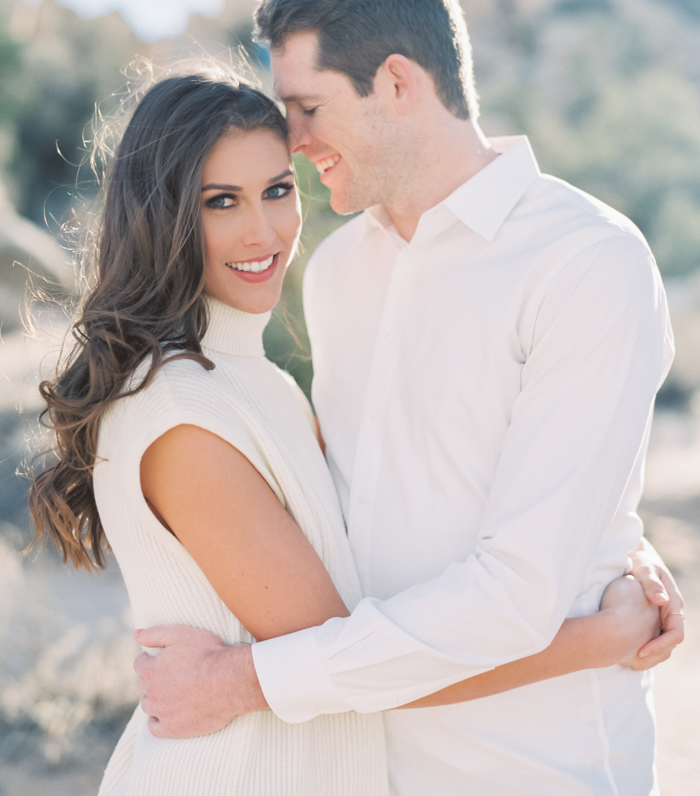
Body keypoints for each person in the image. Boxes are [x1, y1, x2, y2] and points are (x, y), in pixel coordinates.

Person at [27, 64, 666, 795]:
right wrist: (605, 636)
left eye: (277, 190)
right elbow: (362, 665)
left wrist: (599, 544)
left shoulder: (254, 383)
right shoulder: (180, 413)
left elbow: (406, 508)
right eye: (221, 202)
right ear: (163, 214)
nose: (262, 229)